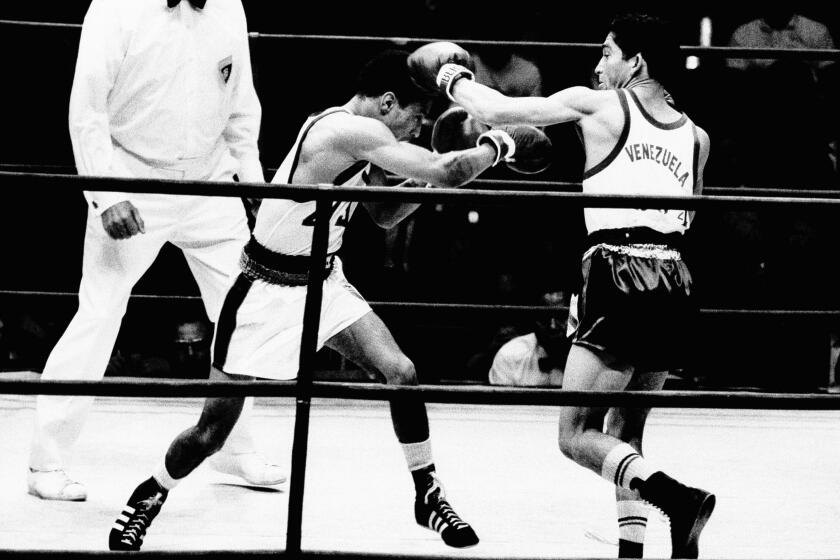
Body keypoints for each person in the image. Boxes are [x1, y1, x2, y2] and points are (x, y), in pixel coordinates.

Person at [108, 47, 551, 551]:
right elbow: (448, 170)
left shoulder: (368, 141)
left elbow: (384, 215)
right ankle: (150, 494)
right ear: (388, 103)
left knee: (401, 372)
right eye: (414, 116)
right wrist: (497, 145)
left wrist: (433, 176)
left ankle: (427, 493)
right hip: (265, 288)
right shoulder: (344, 131)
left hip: (323, 279)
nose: (416, 126)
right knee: (211, 433)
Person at [426, 14, 715, 558]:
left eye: (608, 52)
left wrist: (447, 78)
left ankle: (678, 499)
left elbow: (499, 110)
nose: (599, 63)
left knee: (575, 434)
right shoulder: (697, 137)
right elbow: (688, 218)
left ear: (637, 63)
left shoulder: (602, 104)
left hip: (619, 270)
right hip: (676, 278)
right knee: (626, 432)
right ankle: (634, 551)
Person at [27, 0, 285, 502]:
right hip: (132, 177)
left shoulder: (230, 8)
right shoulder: (115, 8)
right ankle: (46, 462)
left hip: (211, 184)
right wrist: (107, 193)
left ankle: (229, 446)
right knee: (99, 314)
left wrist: (253, 183)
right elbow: (87, 111)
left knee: (245, 315)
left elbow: (240, 104)